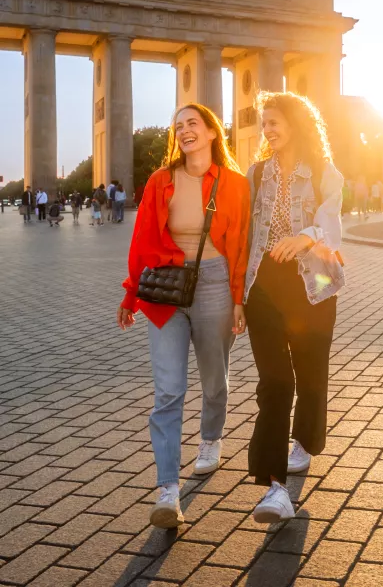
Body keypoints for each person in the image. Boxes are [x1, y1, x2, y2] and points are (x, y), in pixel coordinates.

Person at [117, 103, 250, 529]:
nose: (184, 131)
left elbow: (242, 245)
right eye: (178, 126)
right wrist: (130, 294)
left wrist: (238, 299)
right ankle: (168, 492)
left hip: (214, 283)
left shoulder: (235, 184)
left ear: (212, 132)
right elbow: (141, 241)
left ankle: (210, 439)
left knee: (214, 379)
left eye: (193, 123)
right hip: (166, 289)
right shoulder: (160, 181)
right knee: (169, 391)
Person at [244, 91, 344, 524]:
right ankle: (274, 488)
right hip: (263, 285)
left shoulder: (325, 171)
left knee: (311, 373)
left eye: (274, 121)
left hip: (313, 281)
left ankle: (305, 439)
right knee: (275, 381)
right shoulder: (256, 172)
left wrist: (304, 236)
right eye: (264, 122)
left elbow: (333, 225)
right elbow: (244, 231)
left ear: (296, 123)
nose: (268, 128)